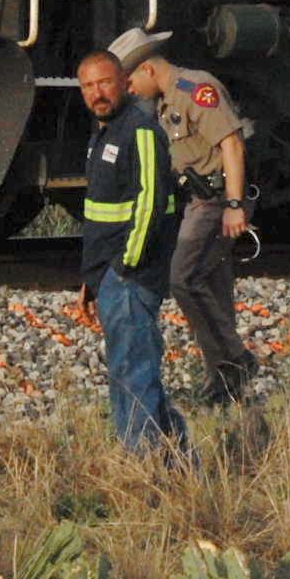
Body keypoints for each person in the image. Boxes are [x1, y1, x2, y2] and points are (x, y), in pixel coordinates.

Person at [109, 27, 261, 406]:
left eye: (129, 80)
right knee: (213, 286)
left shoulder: (196, 90)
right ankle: (225, 384)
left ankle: (235, 361)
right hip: (198, 200)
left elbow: (232, 143)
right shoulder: (165, 101)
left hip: (215, 201)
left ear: (147, 69)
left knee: (184, 278)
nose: (127, 89)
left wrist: (234, 205)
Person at [74, 48, 187, 452]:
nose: (96, 92)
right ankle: (175, 456)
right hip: (109, 277)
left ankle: (144, 459)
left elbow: (150, 202)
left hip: (131, 276)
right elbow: (101, 216)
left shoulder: (138, 130)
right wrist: (92, 279)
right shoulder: (103, 132)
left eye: (104, 82)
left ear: (124, 82)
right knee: (126, 367)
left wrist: (124, 267)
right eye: (88, 86)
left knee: (133, 368)